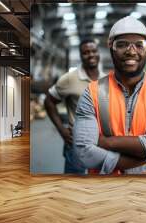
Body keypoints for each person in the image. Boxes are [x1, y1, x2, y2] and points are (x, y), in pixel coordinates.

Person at [72, 16, 146, 174]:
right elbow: (84, 153)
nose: (131, 51)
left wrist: (108, 142)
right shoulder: (92, 93)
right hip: (105, 192)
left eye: (139, 45)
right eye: (122, 45)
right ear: (111, 48)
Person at [44, 39, 106, 174]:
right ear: (80, 56)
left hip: (102, 142)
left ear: (98, 53)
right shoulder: (69, 79)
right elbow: (49, 101)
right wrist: (62, 130)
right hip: (77, 143)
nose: (91, 55)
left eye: (94, 51)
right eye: (86, 52)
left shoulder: (106, 80)